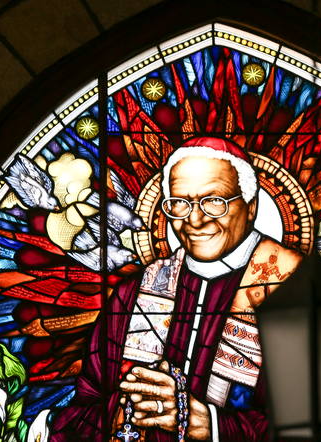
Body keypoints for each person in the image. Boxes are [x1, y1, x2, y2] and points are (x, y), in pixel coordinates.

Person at [52, 137, 303, 442]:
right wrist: (125, 409)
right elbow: (80, 412)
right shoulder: (131, 298)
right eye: (179, 204)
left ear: (250, 207)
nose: (194, 219)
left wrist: (211, 426)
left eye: (214, 200)